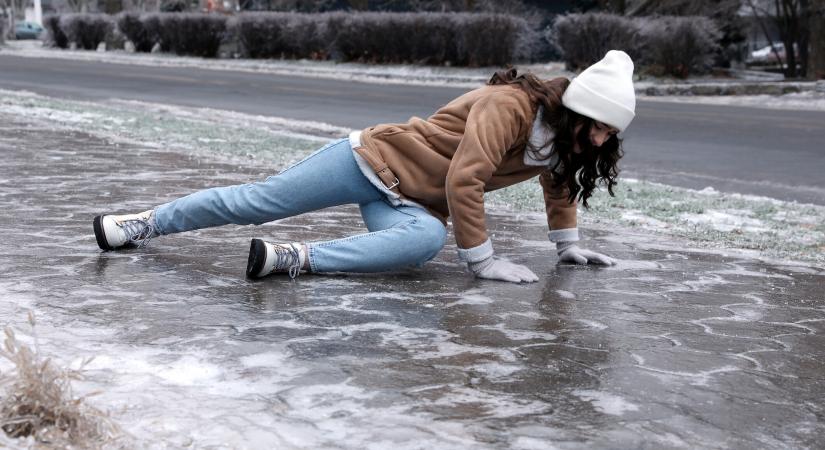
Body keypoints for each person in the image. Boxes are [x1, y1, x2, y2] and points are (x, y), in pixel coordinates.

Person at [93, 50, 635, 284]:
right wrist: (483, 261)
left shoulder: (564, 140)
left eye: (611, 132)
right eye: (599, 126)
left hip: (412, 201)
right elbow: (465, 178)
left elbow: (558, 181)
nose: (603, 138)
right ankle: (142, 223)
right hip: (370, 159)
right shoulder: (511, 107)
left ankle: (292, 259)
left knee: (422, 244)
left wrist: (567, 246)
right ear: (575, 111)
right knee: (257, 202)